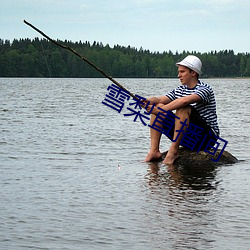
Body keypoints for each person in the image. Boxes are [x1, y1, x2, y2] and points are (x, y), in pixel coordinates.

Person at [143, 55, 219, 164]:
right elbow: (160, 99)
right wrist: (149, 101)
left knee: (183, 108)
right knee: (158, 106)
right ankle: (154, 151)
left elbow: (185, 101)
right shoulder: (179, 90)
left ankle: (173, 151)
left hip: (206, 138)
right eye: (179, 72)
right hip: (189, 136)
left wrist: (162, 110)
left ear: (193, 73)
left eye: (182, 72)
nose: (179, 75)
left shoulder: (205, 89)